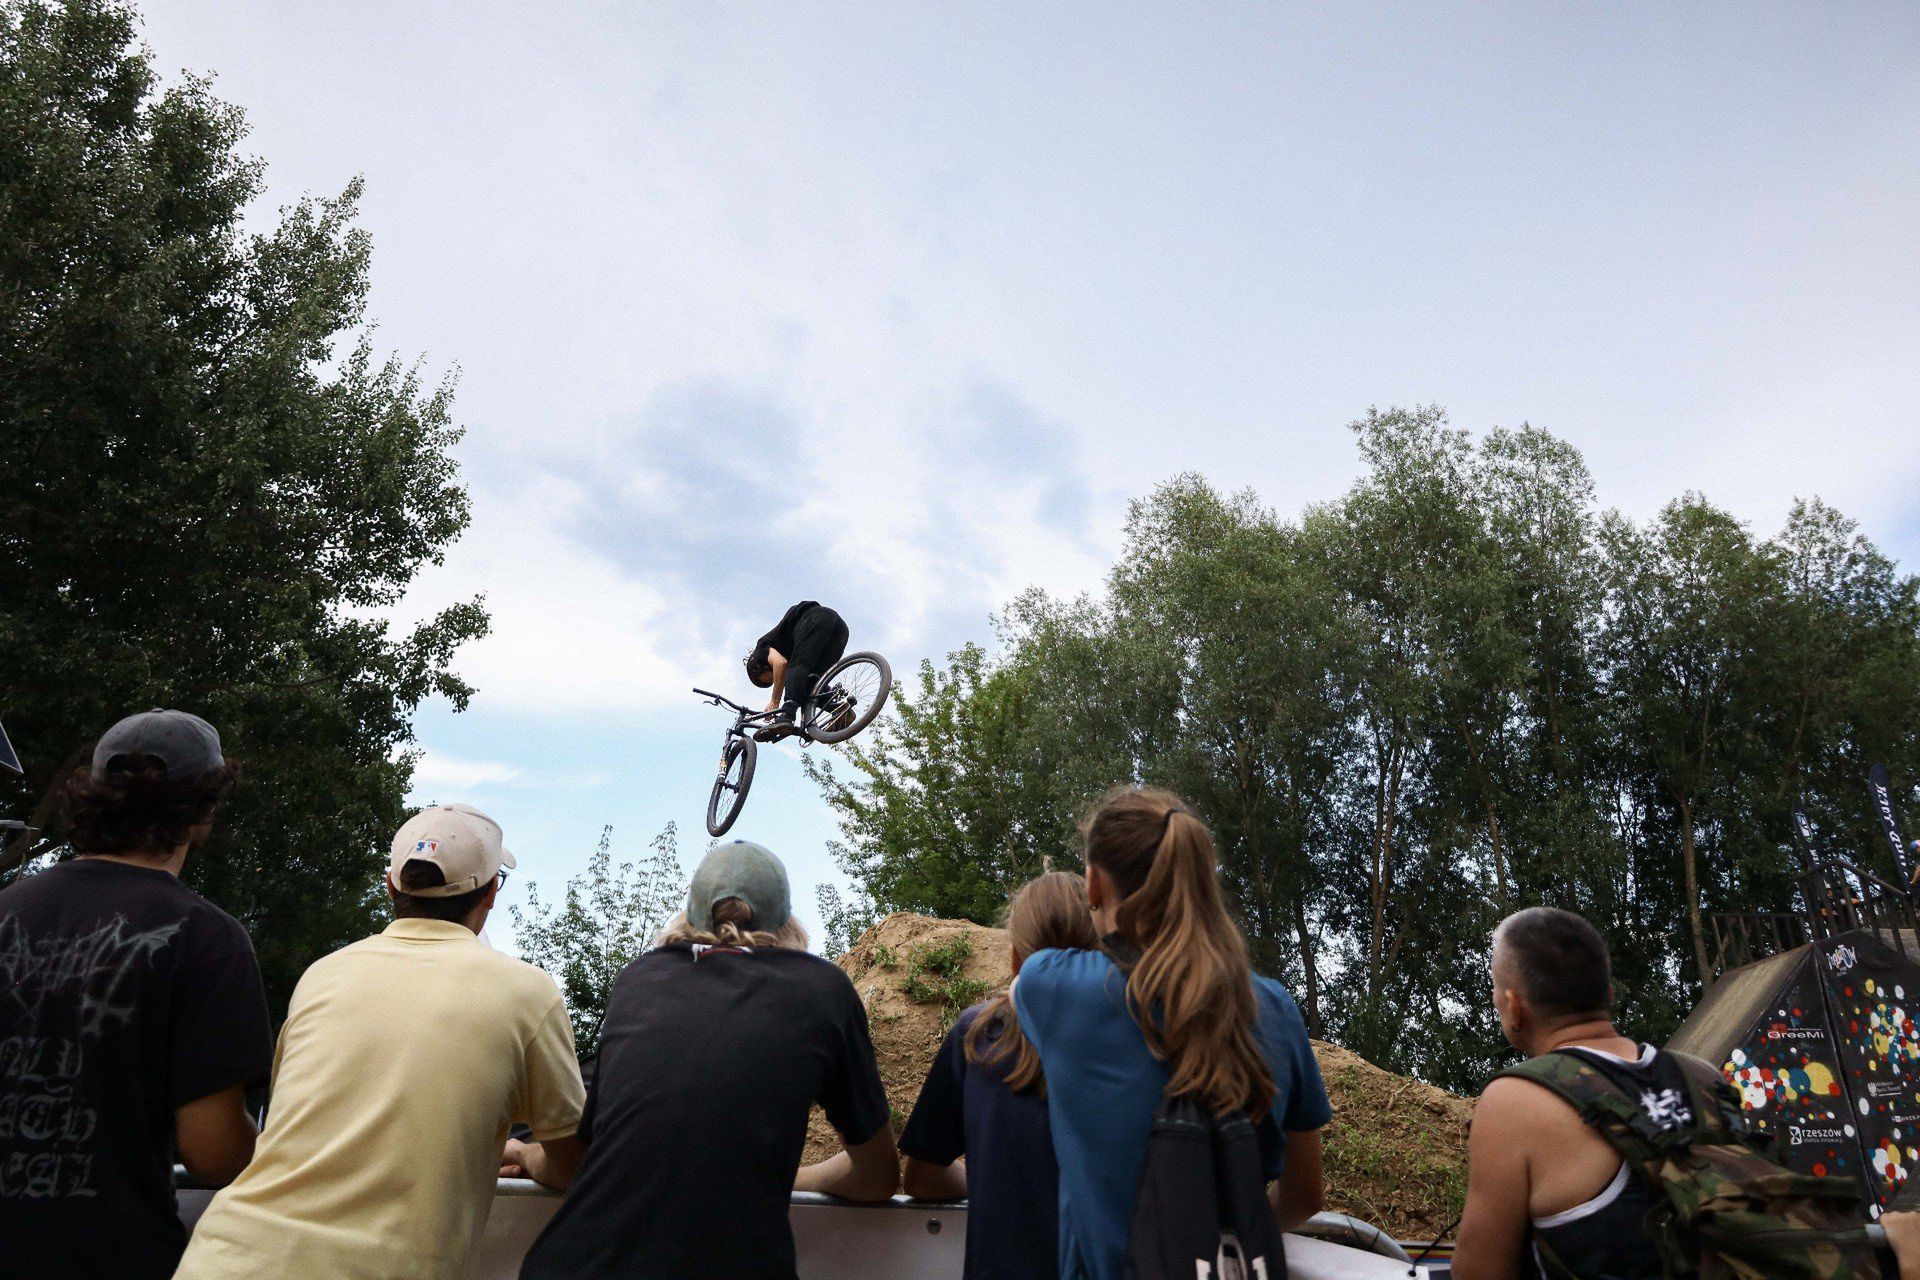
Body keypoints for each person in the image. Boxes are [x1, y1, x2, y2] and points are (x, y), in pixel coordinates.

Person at [175, 804, 586, 1280]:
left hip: (226, 1257)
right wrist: (522, 1154)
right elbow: (575, 1164)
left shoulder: (323, 976)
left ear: (391, 886)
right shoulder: (527, 993)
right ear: (492, 892)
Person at [518, 839, 897, 1280]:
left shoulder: (639, 979)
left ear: (689, 917)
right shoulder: (822, 990)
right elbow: (876, 1178)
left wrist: (525, 1156)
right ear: (787, 922)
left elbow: (589, 1161)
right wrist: (771, 1178)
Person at [1013, 787, 1331, 1280]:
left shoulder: (1054, 989)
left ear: (1093, 886)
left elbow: (1017, 980)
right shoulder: (1275, 1010)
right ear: (1201, 880)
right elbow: (1306, 1193)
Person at [0, 709, 271, 1280]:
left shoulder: (5, 909)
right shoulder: (207, 938)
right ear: (203, 810)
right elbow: (213, 1154)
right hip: (109, 1257)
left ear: (91, 794)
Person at [1451, 906, 1678, 1280]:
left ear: (1515, 1008)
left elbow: (1477, 1275)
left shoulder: (1515, 1100)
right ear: (1607, 993)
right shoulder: (1701, 1075)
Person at [898, 871, 1099, 1280]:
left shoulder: (976, 1035)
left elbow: (922, 1176)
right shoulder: (1132, 1039)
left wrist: (993, 1180)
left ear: (1013, 960)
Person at [744, 599, 849, 740]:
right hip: (839, 629)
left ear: (759, 669)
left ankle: (787, 715)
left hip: (814, 618)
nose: (776, 680)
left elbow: (780, 664)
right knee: (811, 682)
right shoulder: (789, 648)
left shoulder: (760, 652)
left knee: (796, 668)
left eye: (771, 679)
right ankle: (839, 709)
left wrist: (775, 701)